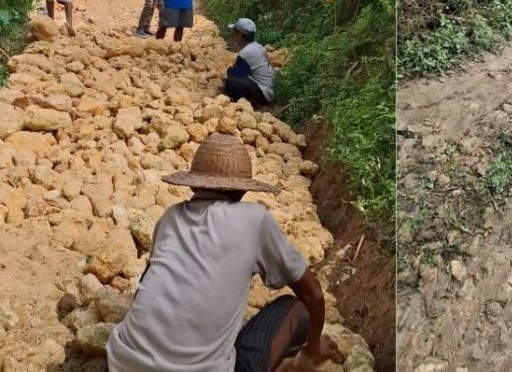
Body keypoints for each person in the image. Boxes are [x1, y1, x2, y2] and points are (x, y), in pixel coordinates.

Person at [106, 133, 344, 371]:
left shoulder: (170, 217)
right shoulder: (254, 219)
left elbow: (146, 287)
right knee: (296, 308)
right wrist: (313, 346)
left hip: (122, 362)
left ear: (192, 184)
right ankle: (304, 360)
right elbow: (313, 294)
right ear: (243, 190)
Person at [223, 18, 275, 108]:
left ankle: (251, 104)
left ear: (239, 35)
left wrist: (229, 71)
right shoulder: (258, 46)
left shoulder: (246, 52)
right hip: (268, 90)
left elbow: (234, 75)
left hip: (263, 93)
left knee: (230, 82)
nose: (232, 35)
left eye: (234, 33)